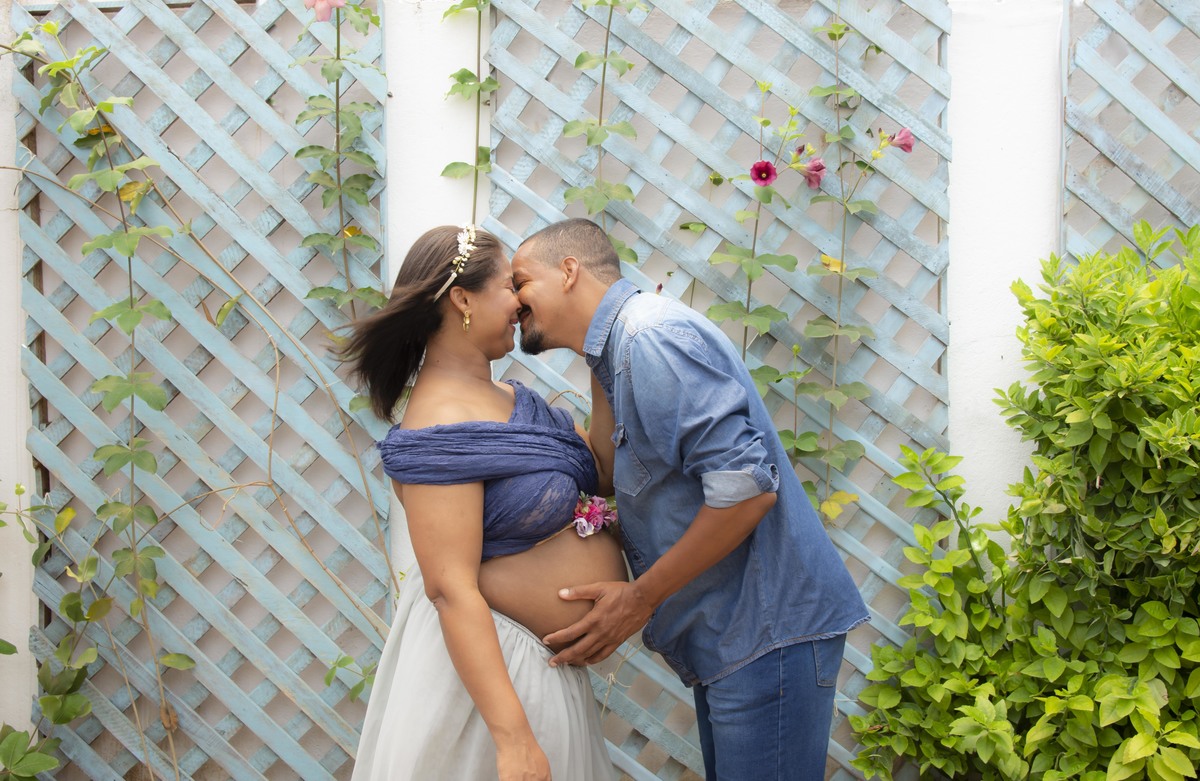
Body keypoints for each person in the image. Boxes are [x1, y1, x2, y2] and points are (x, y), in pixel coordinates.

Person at [510, 218, 871, 781]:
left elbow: (746, 491)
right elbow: (607, 475)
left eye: (520, 282)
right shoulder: (620, 351)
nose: (512, 300)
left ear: (569, 271)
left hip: (765, 634)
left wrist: (638, 599)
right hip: (739, 640)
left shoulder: (650, 339)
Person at [341, 224, 625, 781]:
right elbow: (449, 589)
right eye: (507, 286)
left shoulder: (515, 399)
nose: (520, 302)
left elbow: (603, 475)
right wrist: (514, 740)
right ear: (463, 299)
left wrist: (600, 353)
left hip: (542, 674)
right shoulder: (440, 421)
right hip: (491, 689)